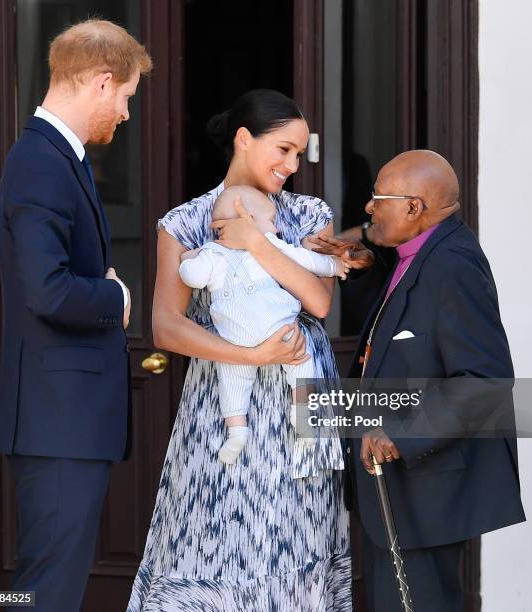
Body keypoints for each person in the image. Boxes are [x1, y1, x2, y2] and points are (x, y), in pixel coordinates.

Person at [128, 89, 371, 611]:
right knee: (214, 541)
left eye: (297, 154)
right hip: (223, 407)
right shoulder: (186, 222)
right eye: (282, 149)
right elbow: (166, 329)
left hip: (300, 406)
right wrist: (252, 357)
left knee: (296, 544)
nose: (291, 165)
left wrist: (257, 242)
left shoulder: (307, 213)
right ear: (243, 139)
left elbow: (319, 301)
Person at [314, 150, 526, 611]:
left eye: (378, 198)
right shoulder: (416, 254)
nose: (368, 208)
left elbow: (486, 381)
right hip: (395, 487)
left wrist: (403, 433)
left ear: (414, 207)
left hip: (425, 489)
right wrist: (366, 265)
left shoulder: (453, 265)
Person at [0, 20, 152, 612]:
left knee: (45, 585)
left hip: (62, 419)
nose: (127, 116)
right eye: (128, 99)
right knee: (44, 592)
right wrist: (117, 298)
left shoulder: (58, 157)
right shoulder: (41, 161)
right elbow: (48, 291)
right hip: (57, 421)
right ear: (103, 84)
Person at [179, 184, 351, 464]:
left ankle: (236, 432)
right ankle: (303, 415)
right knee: (301, 359)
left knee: (232, 383)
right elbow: (308, 260)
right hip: (277, 326)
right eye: (271, 221)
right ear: (247, 218)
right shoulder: (272, 245)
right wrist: (335, 266)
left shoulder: (211, 254)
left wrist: (187, 258)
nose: (277, 228)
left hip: (235, 337)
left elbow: (193, 278)